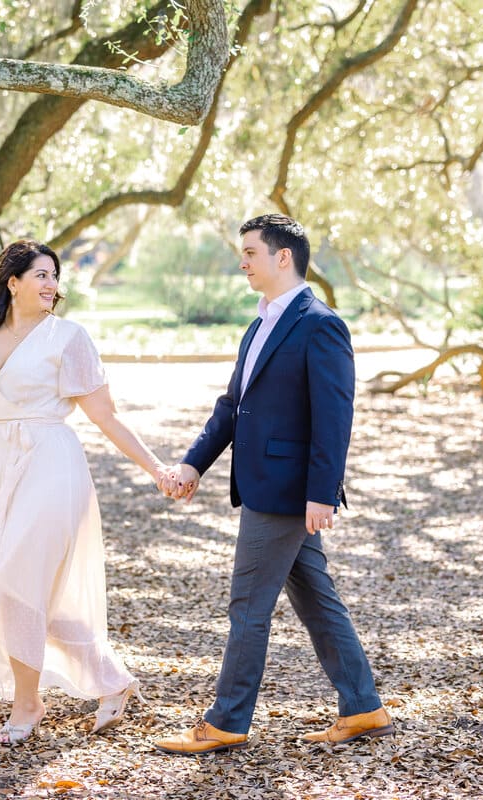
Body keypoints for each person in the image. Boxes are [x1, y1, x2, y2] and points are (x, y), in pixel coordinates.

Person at [154, 214, 392, 754]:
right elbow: (232, 407)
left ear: (283, 257)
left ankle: (227, 720)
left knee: (248, 605)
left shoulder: (320, 323)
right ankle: (363, 706)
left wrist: (321, 492)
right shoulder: (259, 323)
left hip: (287, 492)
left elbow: (335, 415)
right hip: (266, 484)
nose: (242, 261)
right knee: (316, 599)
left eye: (250, 252)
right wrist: (195, 464)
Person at [0, 239, 162, 745]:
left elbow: (105, 416)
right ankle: (111, 679)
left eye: (54, 275)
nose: (52, 285)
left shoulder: (68, 338)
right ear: (13, 282)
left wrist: (157, 469)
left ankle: (27, 705)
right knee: (17, 591)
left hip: (53, 465)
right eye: (41, 275)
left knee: (15, 580)